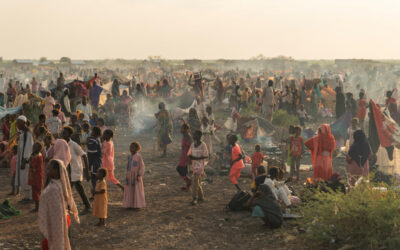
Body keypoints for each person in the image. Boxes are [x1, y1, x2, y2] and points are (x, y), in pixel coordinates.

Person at [39, 159, 80, 250]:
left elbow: (56, 212)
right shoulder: (61, 185)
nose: (47, 170)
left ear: (56, 171)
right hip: (64, 218)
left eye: (49, 169)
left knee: (53, 244)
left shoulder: (53, 188)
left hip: (58, 221)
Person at [62, 126, 91, 213]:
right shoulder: (63, 144)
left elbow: (84, 155)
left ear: (70, 135)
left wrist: (87, 171)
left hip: (75, 169)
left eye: (65, 133)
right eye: (63, 133)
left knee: (77, 188)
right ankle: (68, 206)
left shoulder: (74, 145)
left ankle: (87, 206)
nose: (63, 134)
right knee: (68, 189)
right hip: (68, 170)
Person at [15, 115, 34, 203]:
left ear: (23, 123)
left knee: (26, 178)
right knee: (23, 178)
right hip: (21, 159)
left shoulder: (28, 133)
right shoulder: (22, 133)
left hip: (25, 160)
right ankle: (26, 197)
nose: (17, 124)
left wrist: (24, 160)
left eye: (19, 122)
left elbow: (29, 147)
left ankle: (30, 198)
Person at [123, 142, 146, 209]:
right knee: (129, 190)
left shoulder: (138, 157)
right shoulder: (129, 156)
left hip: (136, 177)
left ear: (137, 149)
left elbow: (142, 166)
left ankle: (137, 205)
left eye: (133, 147)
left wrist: (139, 175)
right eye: (130, 147)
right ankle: (130, 204)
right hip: (129, 176)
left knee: (136, 190)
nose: (131, 149)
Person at [188, 130, 209, 205]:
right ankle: (201, 197)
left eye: (195, 135)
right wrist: (191, 158)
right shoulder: (193, 144)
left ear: (199, 136)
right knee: (197, 182)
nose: (193, 136)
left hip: (200, 165)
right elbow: (189, 154)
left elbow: (206, 155)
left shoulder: (203, 145)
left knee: (195, 181)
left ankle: (194, 198)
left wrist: (197, 158)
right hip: (194, 165)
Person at [87, 126, 102, 196]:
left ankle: (95, 192)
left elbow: (92, 151)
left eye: (92, 131)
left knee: (94, 177)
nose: (91, 132)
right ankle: (95, 191)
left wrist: (87, 143)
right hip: (96, 161)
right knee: (94, 177)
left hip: (94, 161)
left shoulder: (93, 140)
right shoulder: (97, 139)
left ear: (95, 133)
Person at [177, 123, 192, 191]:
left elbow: (191, 147)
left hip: (186, 156)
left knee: (179, 168)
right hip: (184, 155)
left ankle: (188, 180)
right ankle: (188, 186)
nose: (181, 130)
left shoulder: (188, 137)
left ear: (186, 129)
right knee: (184, 170)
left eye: (182, 128)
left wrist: (190, 158)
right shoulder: (184, 136)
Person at [28, 142, 44, 212]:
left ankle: (37, 207)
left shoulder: (37, 156)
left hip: (36, 176)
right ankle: (37, 206)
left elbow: (33, 165)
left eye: (35, 147)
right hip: (35, 175)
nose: (33, 148)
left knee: (36, 191)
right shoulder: (36, 155)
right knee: (35, 191)